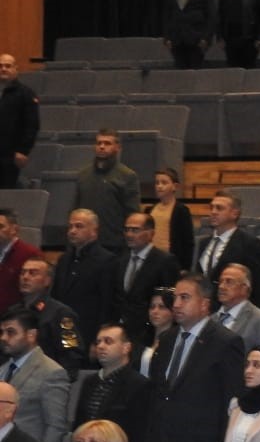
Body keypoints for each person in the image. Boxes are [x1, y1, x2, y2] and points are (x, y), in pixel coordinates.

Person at [144, 273, 245, 442]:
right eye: (175, 298)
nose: (176, 304)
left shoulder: (225, 342)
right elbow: (155, 401)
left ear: (204, 303)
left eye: (184, 298)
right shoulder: (166, 340)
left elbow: (230, 406)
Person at [1, 306, 72, 442]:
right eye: (2, 332)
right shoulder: (2, 370)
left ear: (31, 335)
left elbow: (55, 427)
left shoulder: (52, 372)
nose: (3, 338)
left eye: (11, 332)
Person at [73, 324, 152, 442]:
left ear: (126, 348)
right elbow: (79, 425)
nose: (101, 346)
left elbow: (141, 433)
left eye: (108, 341)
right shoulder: (89, 381)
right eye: (98, 342)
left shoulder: (139, 385)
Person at [110, 212, 179, 348]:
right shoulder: (119, 259)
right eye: (127, 229)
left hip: (148, 334)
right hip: (121, 332)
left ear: (150, 233)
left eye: (135, 230)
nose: (129, 234)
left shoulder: (164, 261)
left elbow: (168, 301)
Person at [53, 209, 116, 347]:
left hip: (89, 332)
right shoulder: (64, 259)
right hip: (65, 329)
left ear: (94, 231)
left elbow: (107, 305)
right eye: (70, 226)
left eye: (79, 226)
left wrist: (98, 341)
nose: (72, 231)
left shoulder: (106, 261)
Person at [73, 130, 140, 254]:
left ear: (117, 147)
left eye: (107, 143)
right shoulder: (83, 175)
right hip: (86, 244)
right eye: (99, 143)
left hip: (114, 246)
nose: (102, 147)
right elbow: (75, 209)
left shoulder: (127, 176)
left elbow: (132, 214)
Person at [161, 0, 216, 69]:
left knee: (194, 72)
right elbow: (168, 15)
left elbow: (212, 16)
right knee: (179, 72)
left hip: (197, 39)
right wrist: (167, 37)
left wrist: (206, 38)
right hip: (177, 39)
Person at [213, 263, 260, 351]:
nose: (221, 286)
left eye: (229, 282)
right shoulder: (211, 319)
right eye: (220, 281)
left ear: (244, 288)